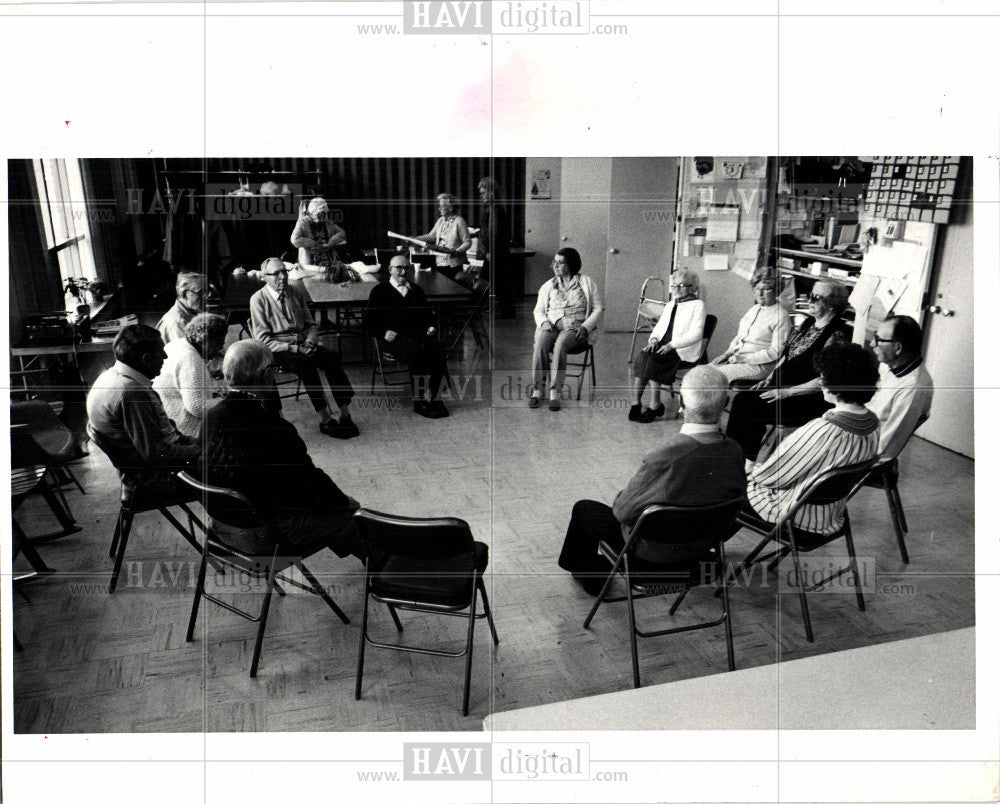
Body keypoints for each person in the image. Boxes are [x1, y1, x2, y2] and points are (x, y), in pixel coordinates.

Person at [557, 366, 746, 594]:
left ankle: (590, 576)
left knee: (585, 509)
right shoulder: (736, 451)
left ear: (682, 403)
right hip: (703, 551)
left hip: (651, 557)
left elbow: (622, 512)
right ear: (726, 402)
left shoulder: (665, 457)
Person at [199, 340, 364, 560]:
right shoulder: (273, 427)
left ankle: (362, 553)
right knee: (353, 511)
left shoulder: (210, 417)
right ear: (267, 375)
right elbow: (313, 483)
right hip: (267, 536)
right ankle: (381, 569)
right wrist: (344, 504)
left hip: (223, 530)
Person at [744, 344, 880, 536]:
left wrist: (752, 471)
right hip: (832, 513)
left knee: (730, 488)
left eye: (822, 376)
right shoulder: (873, 423)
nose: (820, 381)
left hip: (797, 515)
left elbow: (770, 476)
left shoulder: (823, 429)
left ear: (835, 383)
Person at [725, 280, 852, 460]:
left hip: (806, 398)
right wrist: (770, 377)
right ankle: (738, 459)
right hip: (782, 388)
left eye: (816, 297)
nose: (810, 300)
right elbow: (786, 355)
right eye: (810, 295)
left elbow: (826, 379)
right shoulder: (808, 323)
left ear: (832, 304)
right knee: (743, 400)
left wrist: (786, 392)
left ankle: (743, 462)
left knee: (747, 406)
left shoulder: (838, 334)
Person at [86, 324, 200, 501]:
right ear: (147, 359)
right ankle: (229, 526)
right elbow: (157, 454)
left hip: (143, 473)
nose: (165, 356)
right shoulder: (131, 393)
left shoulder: (112, 375)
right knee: (240, 467)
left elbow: (161, 436)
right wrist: (202, 450)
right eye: (161, 352)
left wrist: (196, 444)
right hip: (156, 480)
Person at [249, 257, 359, 439]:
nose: (282, 277)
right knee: (306, 364)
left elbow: (311, 324)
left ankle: (345, 413)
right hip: (279, 349)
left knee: (332, 357)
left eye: (284, 271)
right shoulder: (258, 299)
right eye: (276, 273)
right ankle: (325, 418)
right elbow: (262, 340)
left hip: (303, 343)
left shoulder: (295, 291)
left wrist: (310, 342)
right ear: (264, 277)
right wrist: (295, 349)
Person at [364, 255, 450, 418]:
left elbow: (428, 315)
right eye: (399, 268)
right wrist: (383, 332)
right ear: (390, 270)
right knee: (418, 352)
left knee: (437, 348)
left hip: (416, 336)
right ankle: (419, 401)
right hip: (393, 340)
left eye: (407, 268)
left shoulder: (416, 290)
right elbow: (368, 322)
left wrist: (431, 326)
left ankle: (436, 397)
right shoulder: (379, 291)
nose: (403, 272)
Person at [528, 247, 604, 411]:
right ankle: (537, 390)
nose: (555, 266)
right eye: (554, 262)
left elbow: (598, 308)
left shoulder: (587, 283)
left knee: (561, 343)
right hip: (551, 325)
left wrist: (586, 326)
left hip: (576, 329)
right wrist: (543, 322)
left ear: (571, 265)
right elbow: (539, 310)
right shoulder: (549, 285)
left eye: (560, 263)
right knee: (541, 341)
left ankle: (555, 392)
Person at [629, 269, 706, 423]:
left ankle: (655, 405)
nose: (676, 289)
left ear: (692, 288)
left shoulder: (698, 305)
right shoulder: (671, 304)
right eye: (674, 285)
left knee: (653, 360)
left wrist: (672, 345)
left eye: (682, 285)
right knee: (643, 356)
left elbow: (696, 334)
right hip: (664, 345)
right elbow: (659, 327)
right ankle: (636, 403)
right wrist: (653, 339)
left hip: (682, 349)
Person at [866, 314, 934, 461]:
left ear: (897, 347)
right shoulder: (891, 365)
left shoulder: (913, 387)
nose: (872, 344)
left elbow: (887, 447)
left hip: (866, 449)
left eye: (879, 340)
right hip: (862, 429)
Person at [152, 312, 227, 438]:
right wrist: (226, 401)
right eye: (219, 342)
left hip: (166, 417)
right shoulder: (190, 358)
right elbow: (197, 407)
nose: (220, 348)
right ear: (206, 339)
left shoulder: (176, 344)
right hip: (185, 428)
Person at [711, 275, 792, 384]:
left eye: (766, 289)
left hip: (760, 365)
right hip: (737, 359)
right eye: (757, 288)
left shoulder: (781, 316)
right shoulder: (754, 309)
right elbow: (740, 337)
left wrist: (743, 359)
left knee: (712, 377)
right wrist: (726, 354)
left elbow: (775, 352)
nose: (760, 294)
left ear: (777, 291)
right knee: (700, 372)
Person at [290, 197, 359, 281]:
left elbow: (342, 233)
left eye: (326, 213)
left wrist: (331, 242)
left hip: (328, 261)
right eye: (323, 213)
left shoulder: (326, 222)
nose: (325, 216)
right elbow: (295, 239)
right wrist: (314, 244)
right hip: (310, 263)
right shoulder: (303, 222)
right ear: (314, 211)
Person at [476, 177, 514, 318]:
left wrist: (489, 252)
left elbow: (493, 232)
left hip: (494, 253)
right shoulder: (494, 207)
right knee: (499, 282)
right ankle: (506, 311)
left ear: (491, 192)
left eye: (483, 193)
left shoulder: (494, 209)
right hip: (497, 252)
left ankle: (477, 311)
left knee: (486, 282)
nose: (481, 196)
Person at [414, 192, 472, 283]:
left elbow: (467, 242)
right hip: (439, 263)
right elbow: (431, 236)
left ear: (451, 207)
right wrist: (415, 239)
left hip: (453, 265)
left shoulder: (459, 221)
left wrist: (457, 251)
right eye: (439, 206)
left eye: (442, 206)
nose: (439, 208)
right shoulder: (440, 220)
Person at [156, 271, 208, 344]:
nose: (206, 297)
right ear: (185, 294)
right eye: (201, 292)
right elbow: (187, 353)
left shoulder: (192, 313)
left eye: (207, 292)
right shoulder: (176, 322)